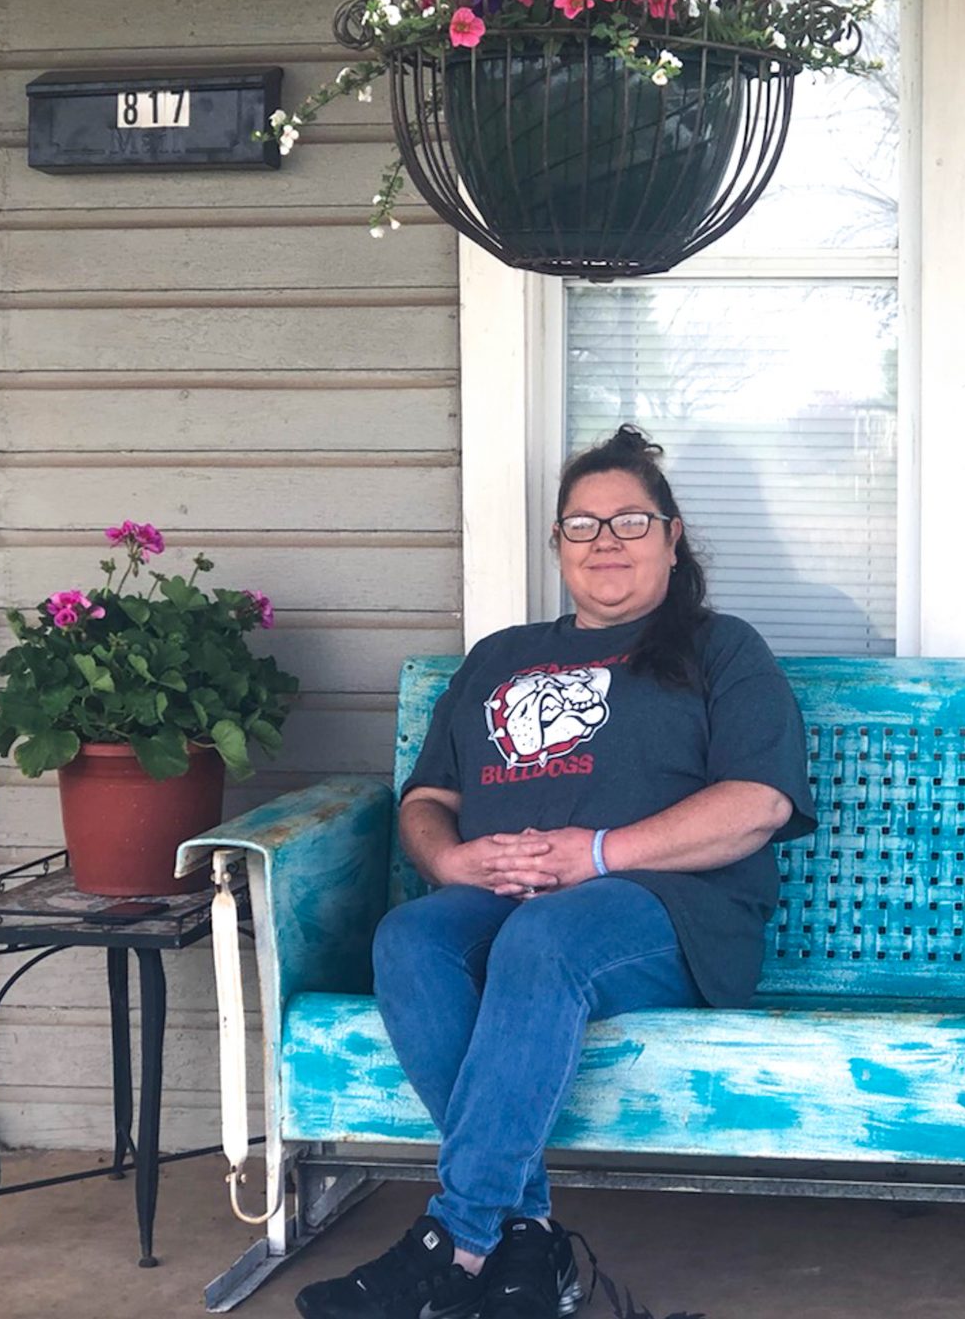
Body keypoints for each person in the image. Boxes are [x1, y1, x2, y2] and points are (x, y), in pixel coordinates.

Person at [296, 425, 815, 1319]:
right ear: (557, 543)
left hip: (666, 917)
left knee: (545, 937)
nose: (605, 540)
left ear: (673, 535)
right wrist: (448, 859)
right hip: (497, 905)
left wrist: (600, 852)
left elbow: (760, 803)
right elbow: (428, 800)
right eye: (583, 524)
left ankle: (454, 1238)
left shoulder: (721, 649)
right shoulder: (500, 657)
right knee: (412, 935)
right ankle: (527, 1244)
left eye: (629, 520)